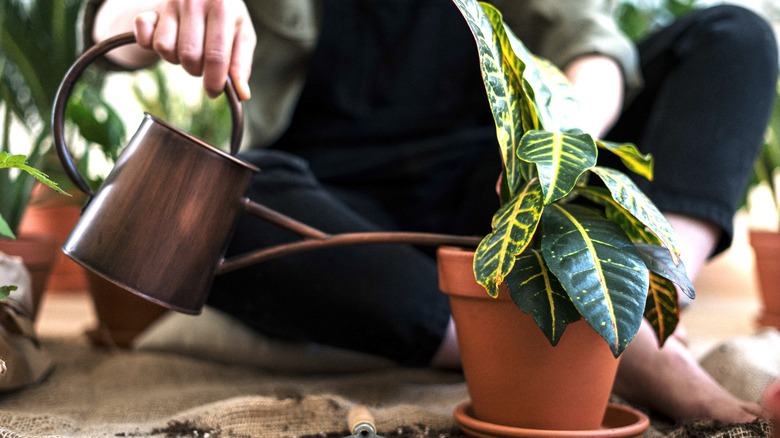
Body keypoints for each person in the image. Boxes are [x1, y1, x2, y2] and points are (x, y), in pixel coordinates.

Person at [85, 0, 778, 424]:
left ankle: (648, 317)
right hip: (330, 201)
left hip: (500, 190)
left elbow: (592, 46)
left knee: (734, 38)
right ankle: (515, 339)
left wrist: (552, 162)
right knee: (212, 207)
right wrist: (160, 11)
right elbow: (109, 23)